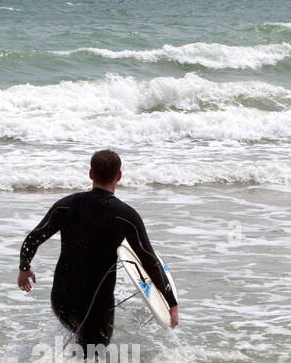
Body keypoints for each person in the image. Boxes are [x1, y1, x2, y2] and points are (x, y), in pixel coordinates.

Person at [17, 149, 178, 350]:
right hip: (96, 305)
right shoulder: (126, 216)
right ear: (119, 176)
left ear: (91, 174)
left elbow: (32, 239)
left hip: (61, 299)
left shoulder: (65, 206)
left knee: (76, 343)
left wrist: (24, 269)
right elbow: (149, 260)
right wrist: (171, 304)